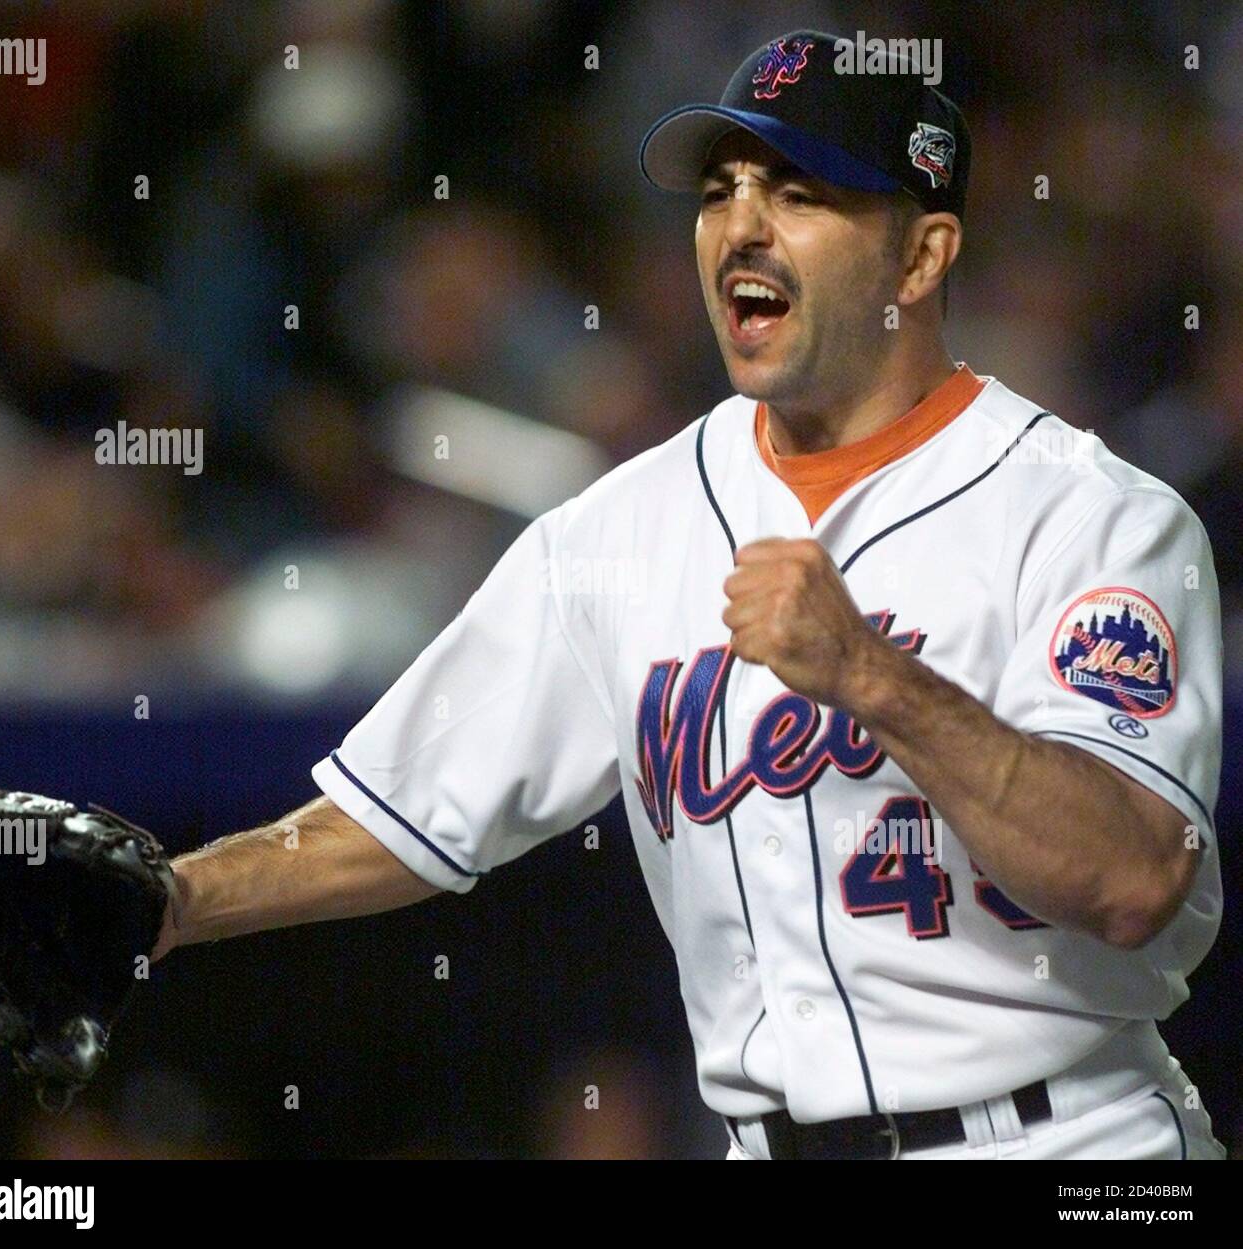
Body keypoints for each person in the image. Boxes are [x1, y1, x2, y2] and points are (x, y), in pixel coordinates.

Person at [153, 30, 1225, 1160]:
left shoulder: (1090, 514)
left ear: (919, 260)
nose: (740, 227)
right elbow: (399, 812)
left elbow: (1129, 876)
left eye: (799, 192)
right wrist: (170, 898)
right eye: (721, 191)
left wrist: (870, 675)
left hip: (1069, 1146)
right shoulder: (624, 526)